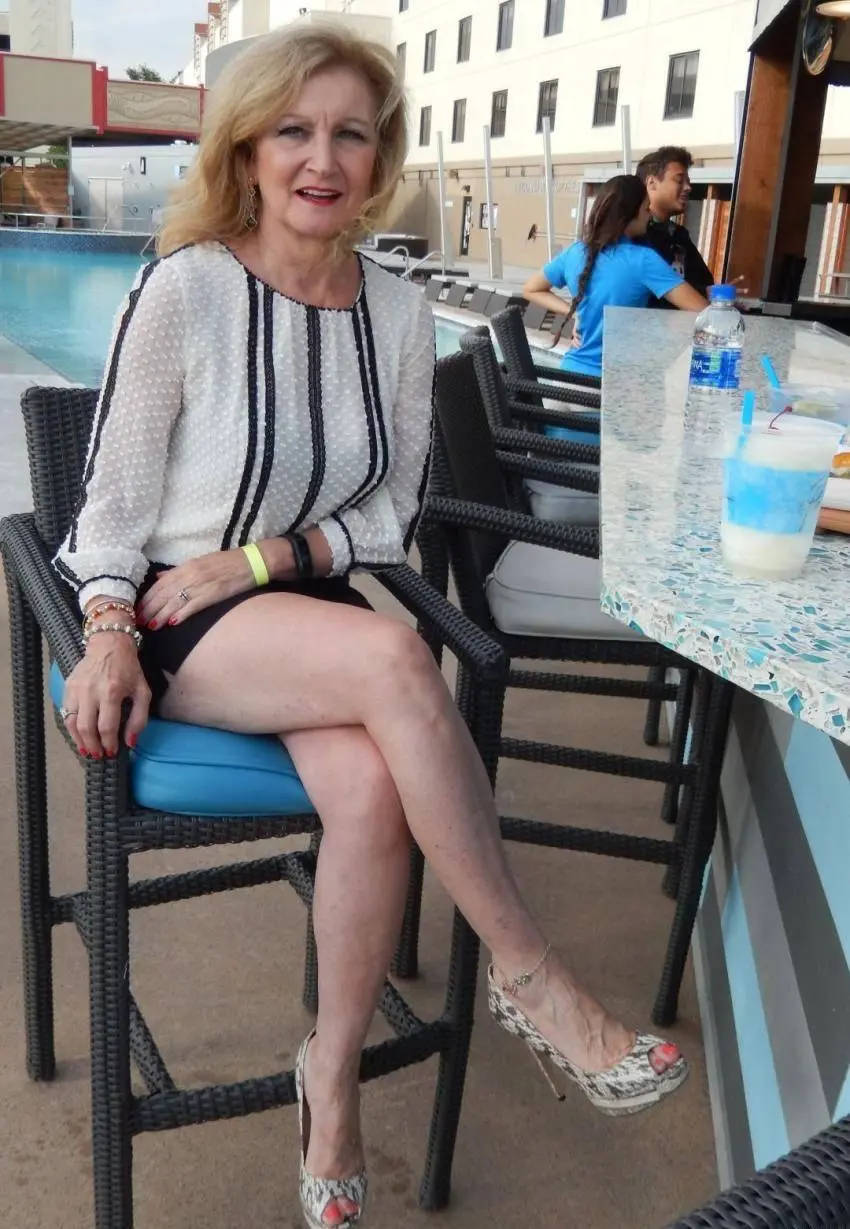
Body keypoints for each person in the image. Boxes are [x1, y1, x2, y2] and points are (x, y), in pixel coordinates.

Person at [54, 28, 687, 1229]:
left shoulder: (394, 312)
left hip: (300, 597)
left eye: (349, 133)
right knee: (401, 654)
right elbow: (110, 509)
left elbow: (390, 513)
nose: (322, 158)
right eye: (293, 130)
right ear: (247, 148)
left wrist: (268, 557)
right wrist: (107, 627)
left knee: (370, 786)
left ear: (378, 157)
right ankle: (529, 973)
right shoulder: (185, 286)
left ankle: (329, 1079)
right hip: (178, 609)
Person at [521, 176, 706, 443]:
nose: (649, 214)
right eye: (645, 208)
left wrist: (573, 312)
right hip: (605, 395)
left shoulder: (577, 251)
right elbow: (704, 313)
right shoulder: (643, 260)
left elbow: (531, 288)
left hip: (562, 387)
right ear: (629, 214)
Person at [634, 146, 714, 302]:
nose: (688, 188)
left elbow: (704, 282)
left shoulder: (679, 235)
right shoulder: (636, 235)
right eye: (679, 180)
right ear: (652, 183)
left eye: (688, 182)